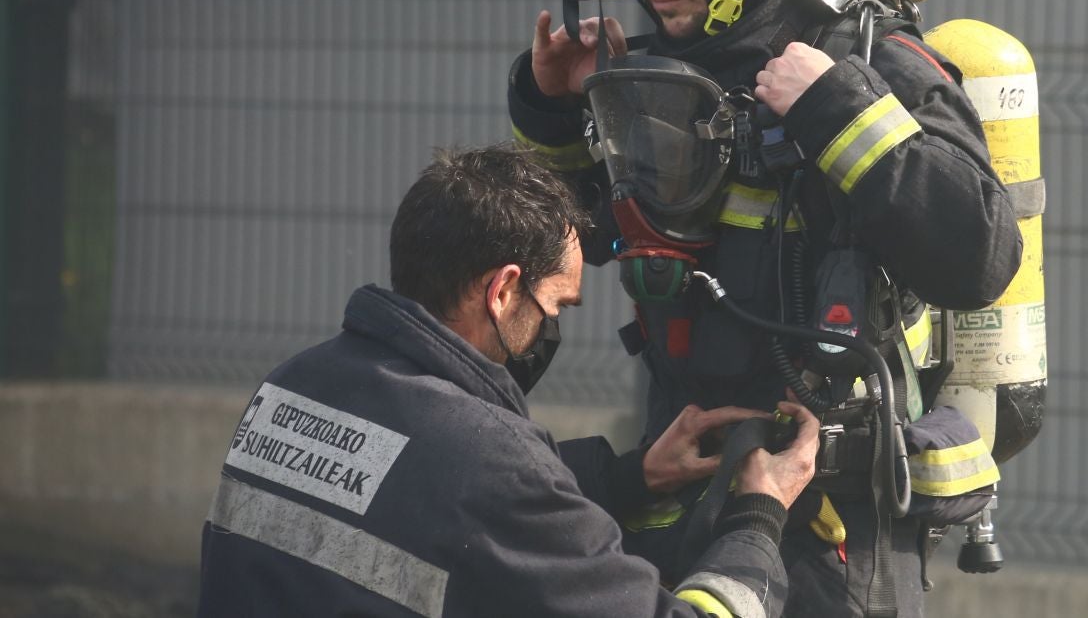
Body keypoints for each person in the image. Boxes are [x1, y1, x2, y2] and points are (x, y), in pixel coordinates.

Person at [508, 0, 1023, 618]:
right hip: (683, 504)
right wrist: (555, 115)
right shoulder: (664, 78)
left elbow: (977, 254)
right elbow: (587, 241)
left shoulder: (874, 67)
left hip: (833, 535)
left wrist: (833, 111)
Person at [197, 143, 821, 617]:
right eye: (558, 305)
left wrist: (630, 478)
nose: (554, 326)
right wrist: (758, 518)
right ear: (502, 290)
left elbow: (418, 495)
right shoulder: (490, 460)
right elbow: (483, 487)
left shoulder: (292, 385)